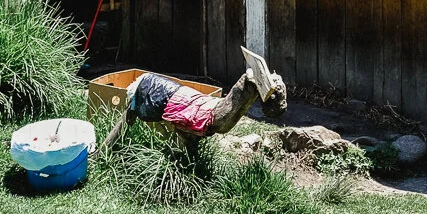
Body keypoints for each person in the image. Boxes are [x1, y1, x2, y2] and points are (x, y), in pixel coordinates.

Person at [101, 67, 287, 157]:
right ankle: (178, 159)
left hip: (173, 93)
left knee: (216, 117)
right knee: (204, 121)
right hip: (157, 91)